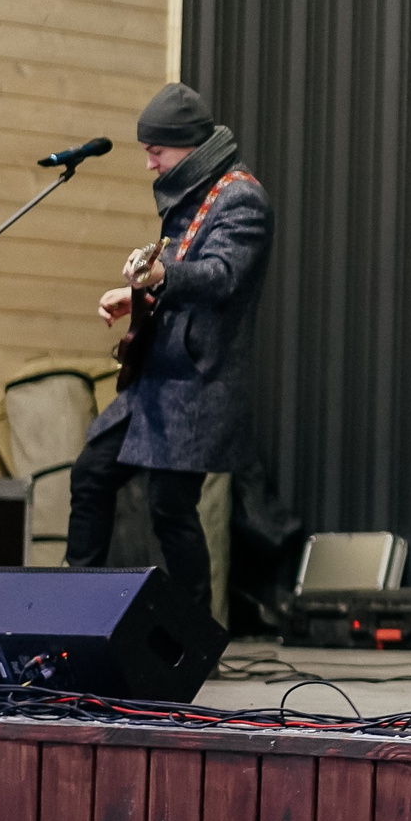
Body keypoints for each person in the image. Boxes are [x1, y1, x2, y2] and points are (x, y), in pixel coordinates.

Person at [69, 83, 272, 610]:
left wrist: (161, 273)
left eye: (156, 151)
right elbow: (180, 280)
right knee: (92, 473)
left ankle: (196, 635)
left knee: (170, 510)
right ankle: (71, 609)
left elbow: (223, 275)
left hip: (197, 383)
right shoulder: (195, 194)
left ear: (186, 145)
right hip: (159, 379)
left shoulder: (241, 196)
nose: (149, 164)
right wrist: (136, 292)